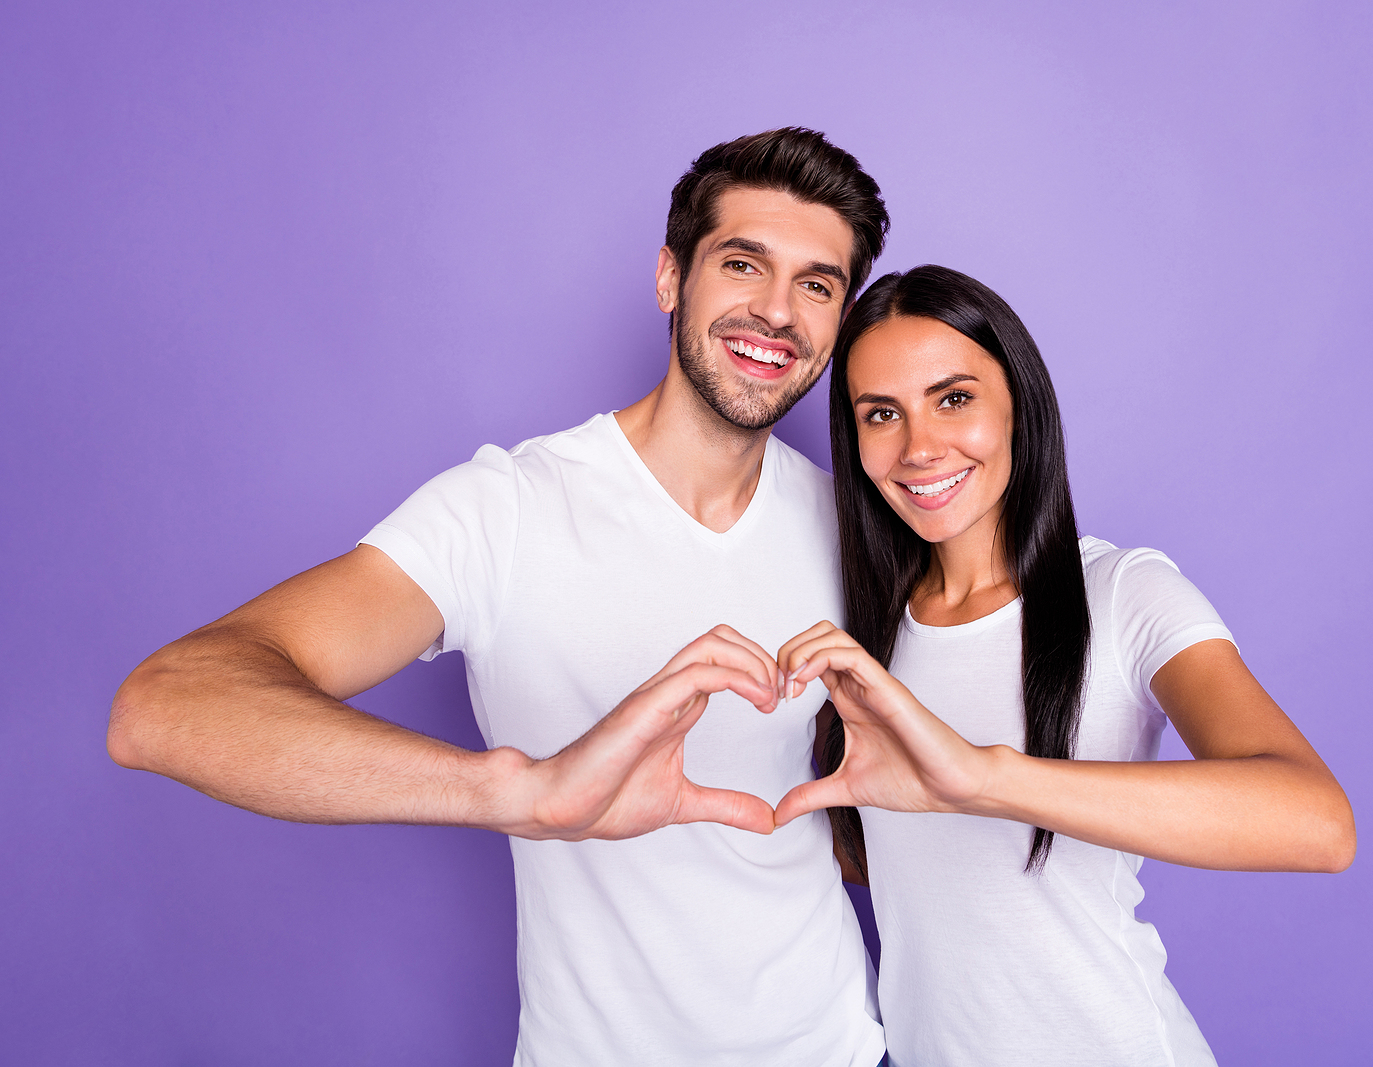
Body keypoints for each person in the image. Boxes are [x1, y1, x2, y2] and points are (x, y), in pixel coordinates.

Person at [108, 128, 891, 1066]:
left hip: (838, 1047)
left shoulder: (857, 524)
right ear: (669, 278)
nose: (777, 312)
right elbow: (164, 704)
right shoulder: (506, 509)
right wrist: (525, 790)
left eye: (817, 284)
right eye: (742, 263)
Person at [772, 265, 1357, 1066]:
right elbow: (917, 877)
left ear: (1018, 401)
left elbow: (1316, 822)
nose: (919, 447)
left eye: (953, 398)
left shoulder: (1124, 592)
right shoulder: (862, 640)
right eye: (882, 413)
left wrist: (982, 777)